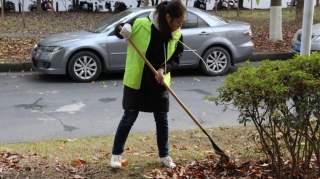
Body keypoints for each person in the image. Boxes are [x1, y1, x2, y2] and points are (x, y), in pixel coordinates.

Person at [110, 0, 186, 169]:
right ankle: (116, 155)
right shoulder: (141, 23)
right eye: (178, 22)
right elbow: (118, 30)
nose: (180, 26)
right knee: (129, 117)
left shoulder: (177, 34)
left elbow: (176, 59)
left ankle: (164, 155)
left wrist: (163, 69)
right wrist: (123, 30)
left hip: (159, 81)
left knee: (162, 119)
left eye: (182, 23)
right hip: (137, 80)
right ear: (168, 17)